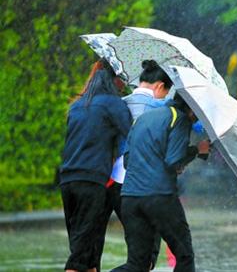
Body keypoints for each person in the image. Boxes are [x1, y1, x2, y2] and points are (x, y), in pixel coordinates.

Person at [112, 94, 209, 272]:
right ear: (191, 107)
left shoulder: (143, 118)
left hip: (130, 198)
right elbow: (173, 160)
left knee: (137, 264)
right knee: (184, 255)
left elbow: (127, 160)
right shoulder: (179, 118)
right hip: (159, 197)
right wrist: (197, 150)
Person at [96, 60, 173, 270]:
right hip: (140, 185)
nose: (165, 96)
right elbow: (196, 124)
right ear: (159, 86)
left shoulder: (118, 103)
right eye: (166, 91)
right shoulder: (162, 106)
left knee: (96, 249)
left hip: (111, 182)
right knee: (143, 257)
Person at [59, 59, 132, 272]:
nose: (124, 84)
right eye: (122, 79)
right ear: (114, 80)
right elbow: (131, 136)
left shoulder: (77, 106)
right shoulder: (114, 104)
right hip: (92, 182)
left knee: (85, 248)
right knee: (80, 257)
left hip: (68, 181)